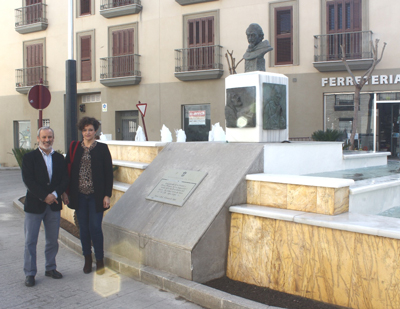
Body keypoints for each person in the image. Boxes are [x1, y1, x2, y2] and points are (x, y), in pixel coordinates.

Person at [63, 117, 113, 275]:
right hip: (79, 196)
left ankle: (99, 260)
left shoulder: (103, 149)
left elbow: (108, 174)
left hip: (96, 197)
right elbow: (66, 170)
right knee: (83, 229)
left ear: (95, 131)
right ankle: (87, 260)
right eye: (84, 130)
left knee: (96, 228)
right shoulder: (75, 147)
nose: (87, 133)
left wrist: (107, 195)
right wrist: (65, 192)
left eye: (90, 130)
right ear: (81, 131)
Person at [21, 126, 69, 287]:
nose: (47, 140)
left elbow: (64, 179)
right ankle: (30, 273)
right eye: (44, 137)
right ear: (38, 139)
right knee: (30, 241)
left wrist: (55, 195)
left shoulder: (59, 158)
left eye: (50, 137)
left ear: (53, 138)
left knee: (52, 240)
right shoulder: (29, 158)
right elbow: (29, 181)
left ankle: (50, 268)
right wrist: (44, 196)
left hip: (54, 205)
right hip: (35, 206)